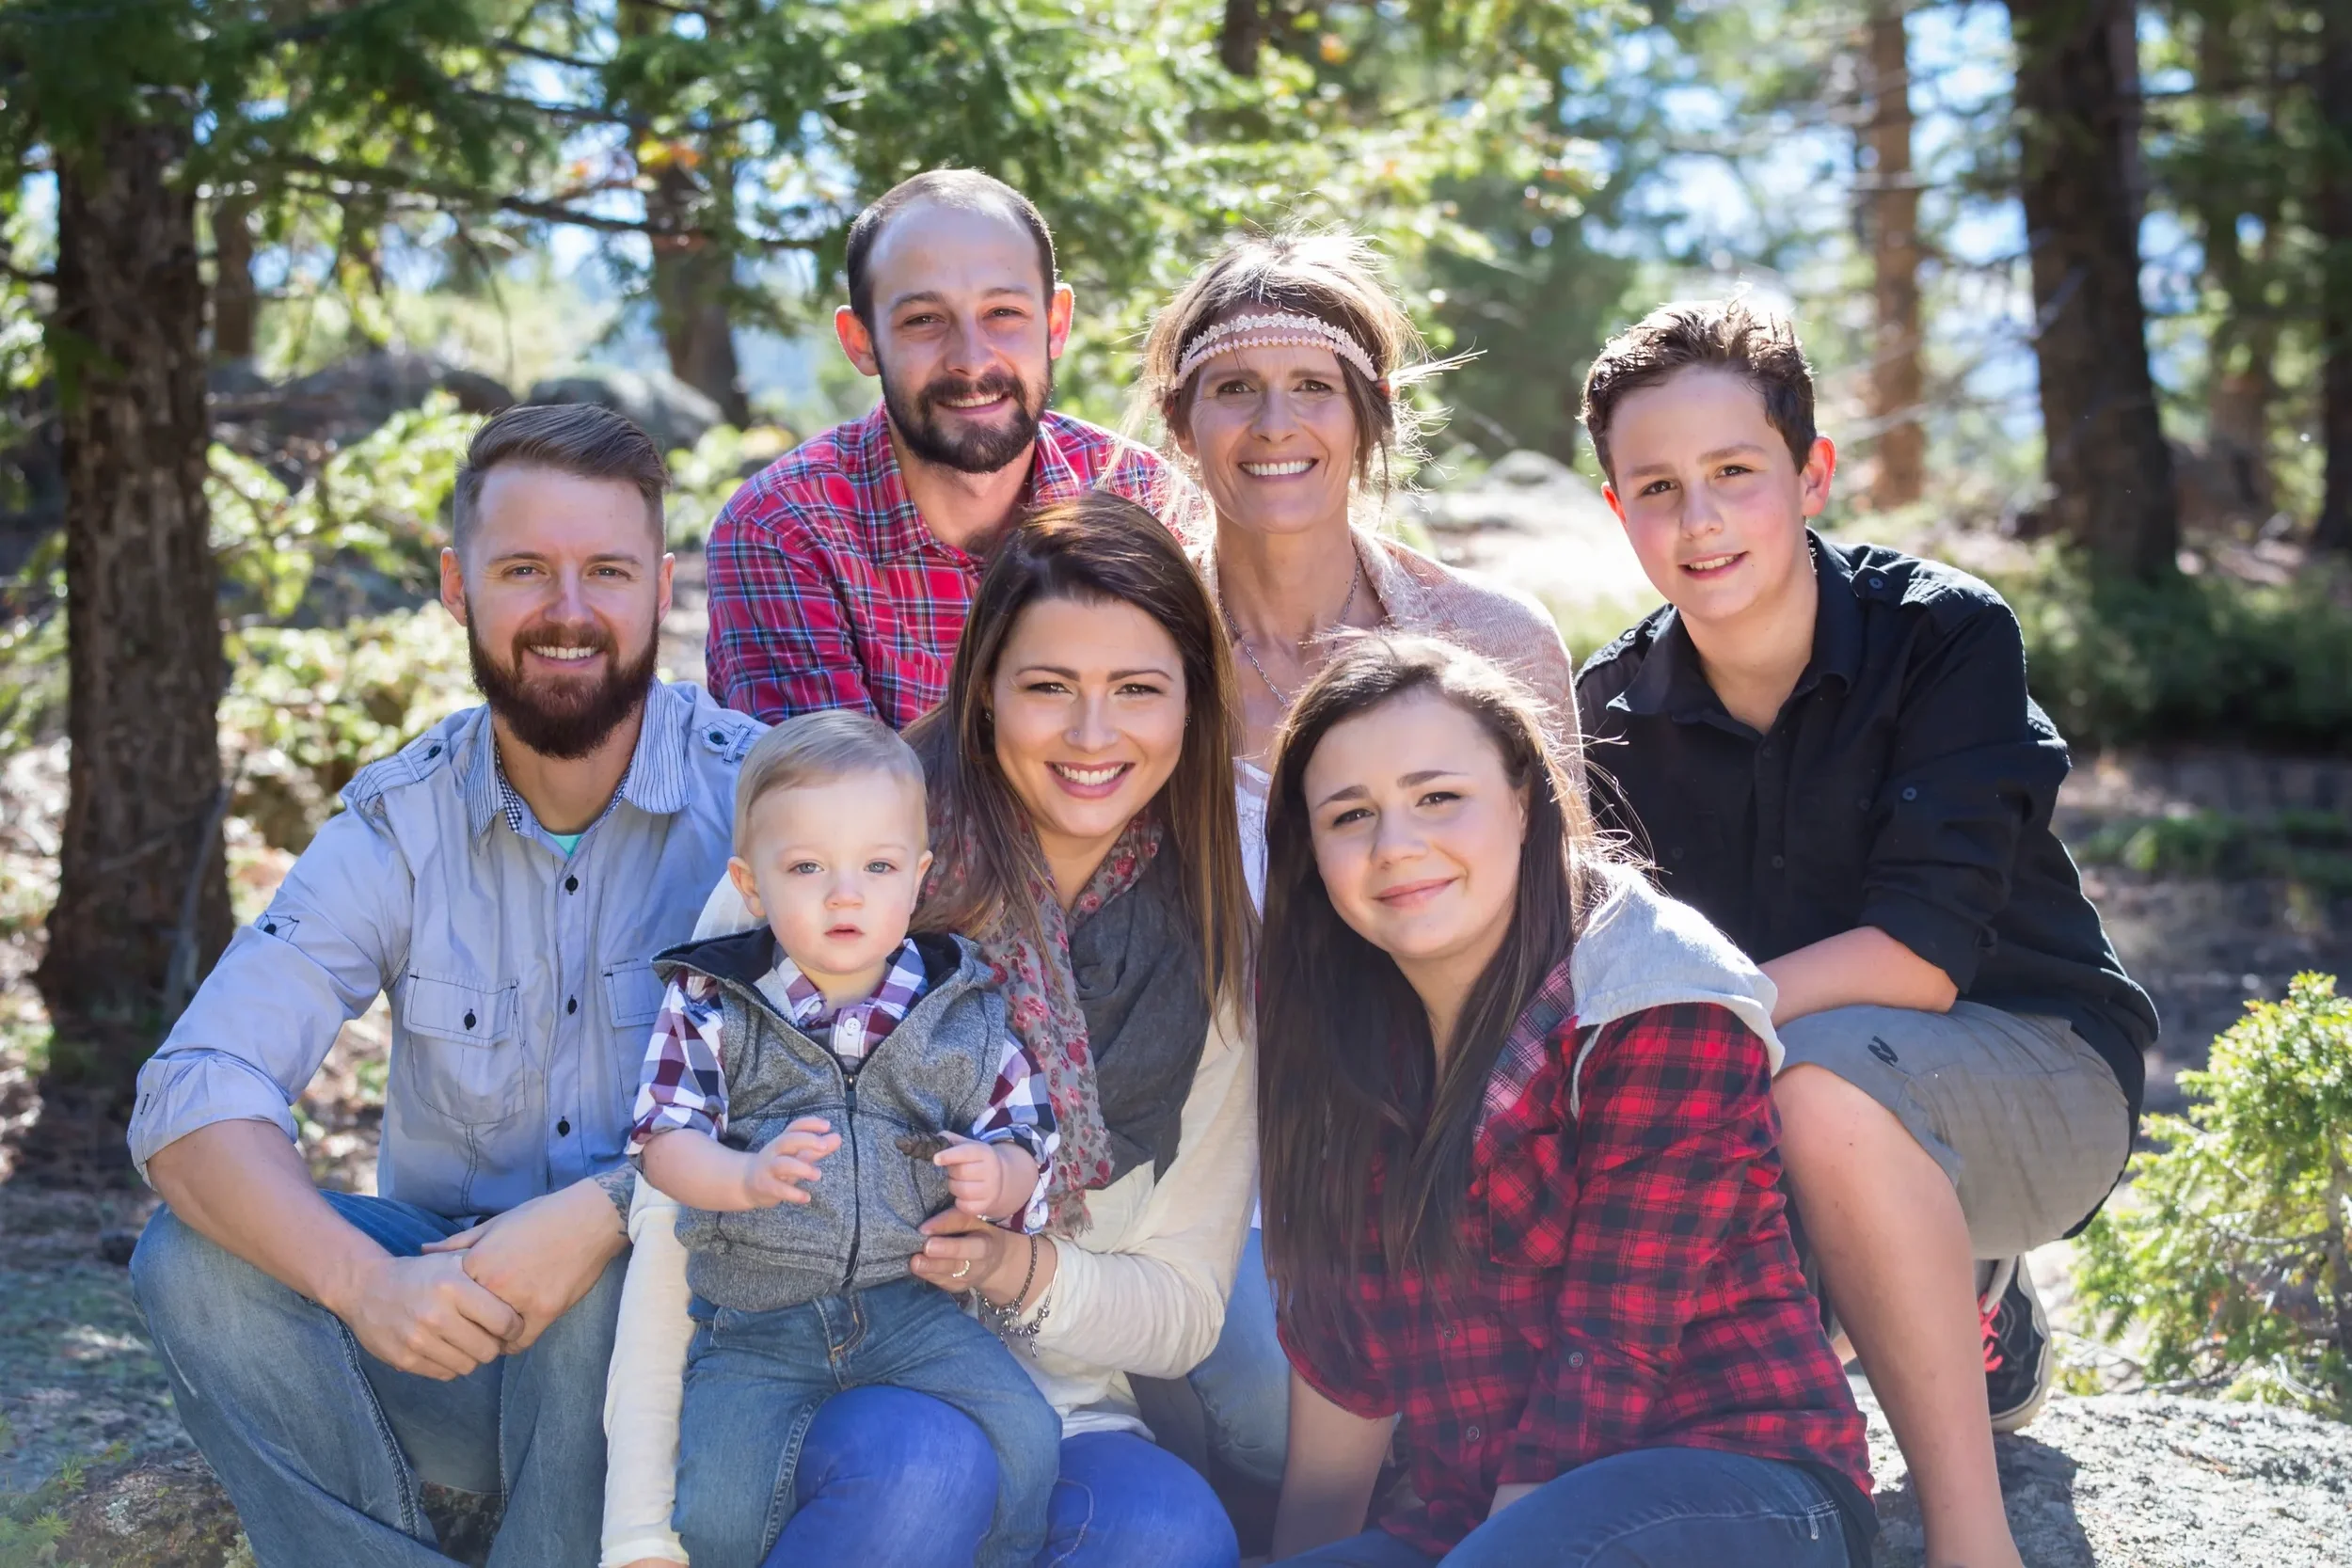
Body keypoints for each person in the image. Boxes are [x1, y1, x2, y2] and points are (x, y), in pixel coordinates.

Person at [124, 404, 764, 1568]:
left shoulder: (765, 803)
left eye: (607, 571)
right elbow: (194, 1090)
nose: (567, 610)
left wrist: (608, 1210)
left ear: (663, 588)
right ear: (456, 586)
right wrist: (364, 1282)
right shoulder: (399, 819)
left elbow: (853, 1101)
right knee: (187, 1259)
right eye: (524, 569)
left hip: (693, 1359)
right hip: (450, 1334)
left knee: (624, 1280)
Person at [1572, 298, 2157, 1568]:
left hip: (2037, 1066)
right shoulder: (1606, 711)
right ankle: (1963, 1298)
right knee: (1736, 1102)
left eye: (1736, 473)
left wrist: (1684, 1021)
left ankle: (1968, 1537)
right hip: (1801, 1074)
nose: (1700, 519)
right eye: (1658, 487)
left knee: (1820, 1089)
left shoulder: (1944, 633)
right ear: (1617, 509)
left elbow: (1922, 957)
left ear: (1813, 472)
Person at [603, 493, 1260, 1568]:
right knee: (923, 1461)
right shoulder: (824, 860)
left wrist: (1012, 1265)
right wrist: (635, 1530)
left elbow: (1181, 1307)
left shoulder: (1212, 944)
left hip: (1049, 1387)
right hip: (801, 1371)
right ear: (985, 693)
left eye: (1137, 689)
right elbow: (671, 1238)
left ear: (1192, 701)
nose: (1093, 734)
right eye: (1049, 686)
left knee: (1167, 1531)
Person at [1257, 635, 1874, 1567]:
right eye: (1350, 815)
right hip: (1483, 1524)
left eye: (1437, 797)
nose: (1396, 846)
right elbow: (1349, 1362)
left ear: (1525, 800)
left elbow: (1606, 1358)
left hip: (1744, 1492)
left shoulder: (1657, 989)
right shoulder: (1347, 1033)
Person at [1132, 230, 1581, 1494]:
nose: (1276, 424)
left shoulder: (1492, 642)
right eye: (1233, 388)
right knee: (1299, 1429)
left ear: (1370, 416)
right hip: (1222, 1187)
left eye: (1314, 387)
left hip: (1440, 1160)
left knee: (1457, 1423)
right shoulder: (1136, 650)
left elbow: (1565, 942)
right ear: (1181, 423)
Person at [626, 709, 1062, 1568]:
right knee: (713, 1516)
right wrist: (744, 1175)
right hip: (756, 1317)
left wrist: (996, 1175)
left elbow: (1028, 1135)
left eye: (877, 865)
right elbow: (663, 1139)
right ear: (752, 887)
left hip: (911, 1304)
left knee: (1028, 1432)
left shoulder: (959, 1010)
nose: (845, 894)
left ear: (917, 876)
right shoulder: (714, 1000)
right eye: (807, 867)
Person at [705, 168, 1190, 727]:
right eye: (924, 320)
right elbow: (829, 803)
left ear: (1056, 323)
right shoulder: (782, 529)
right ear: (861, 343)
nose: (971, 359)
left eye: (1003, 313)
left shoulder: (1146, 500)